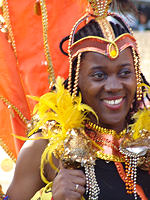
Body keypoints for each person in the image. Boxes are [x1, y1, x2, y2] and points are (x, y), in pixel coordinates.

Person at [6, 0, 150, 200]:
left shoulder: (146, 137)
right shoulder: (46, 147)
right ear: (77, 80)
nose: (114, 86)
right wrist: (51, 197)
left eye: (125, 73)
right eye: (99, 75)